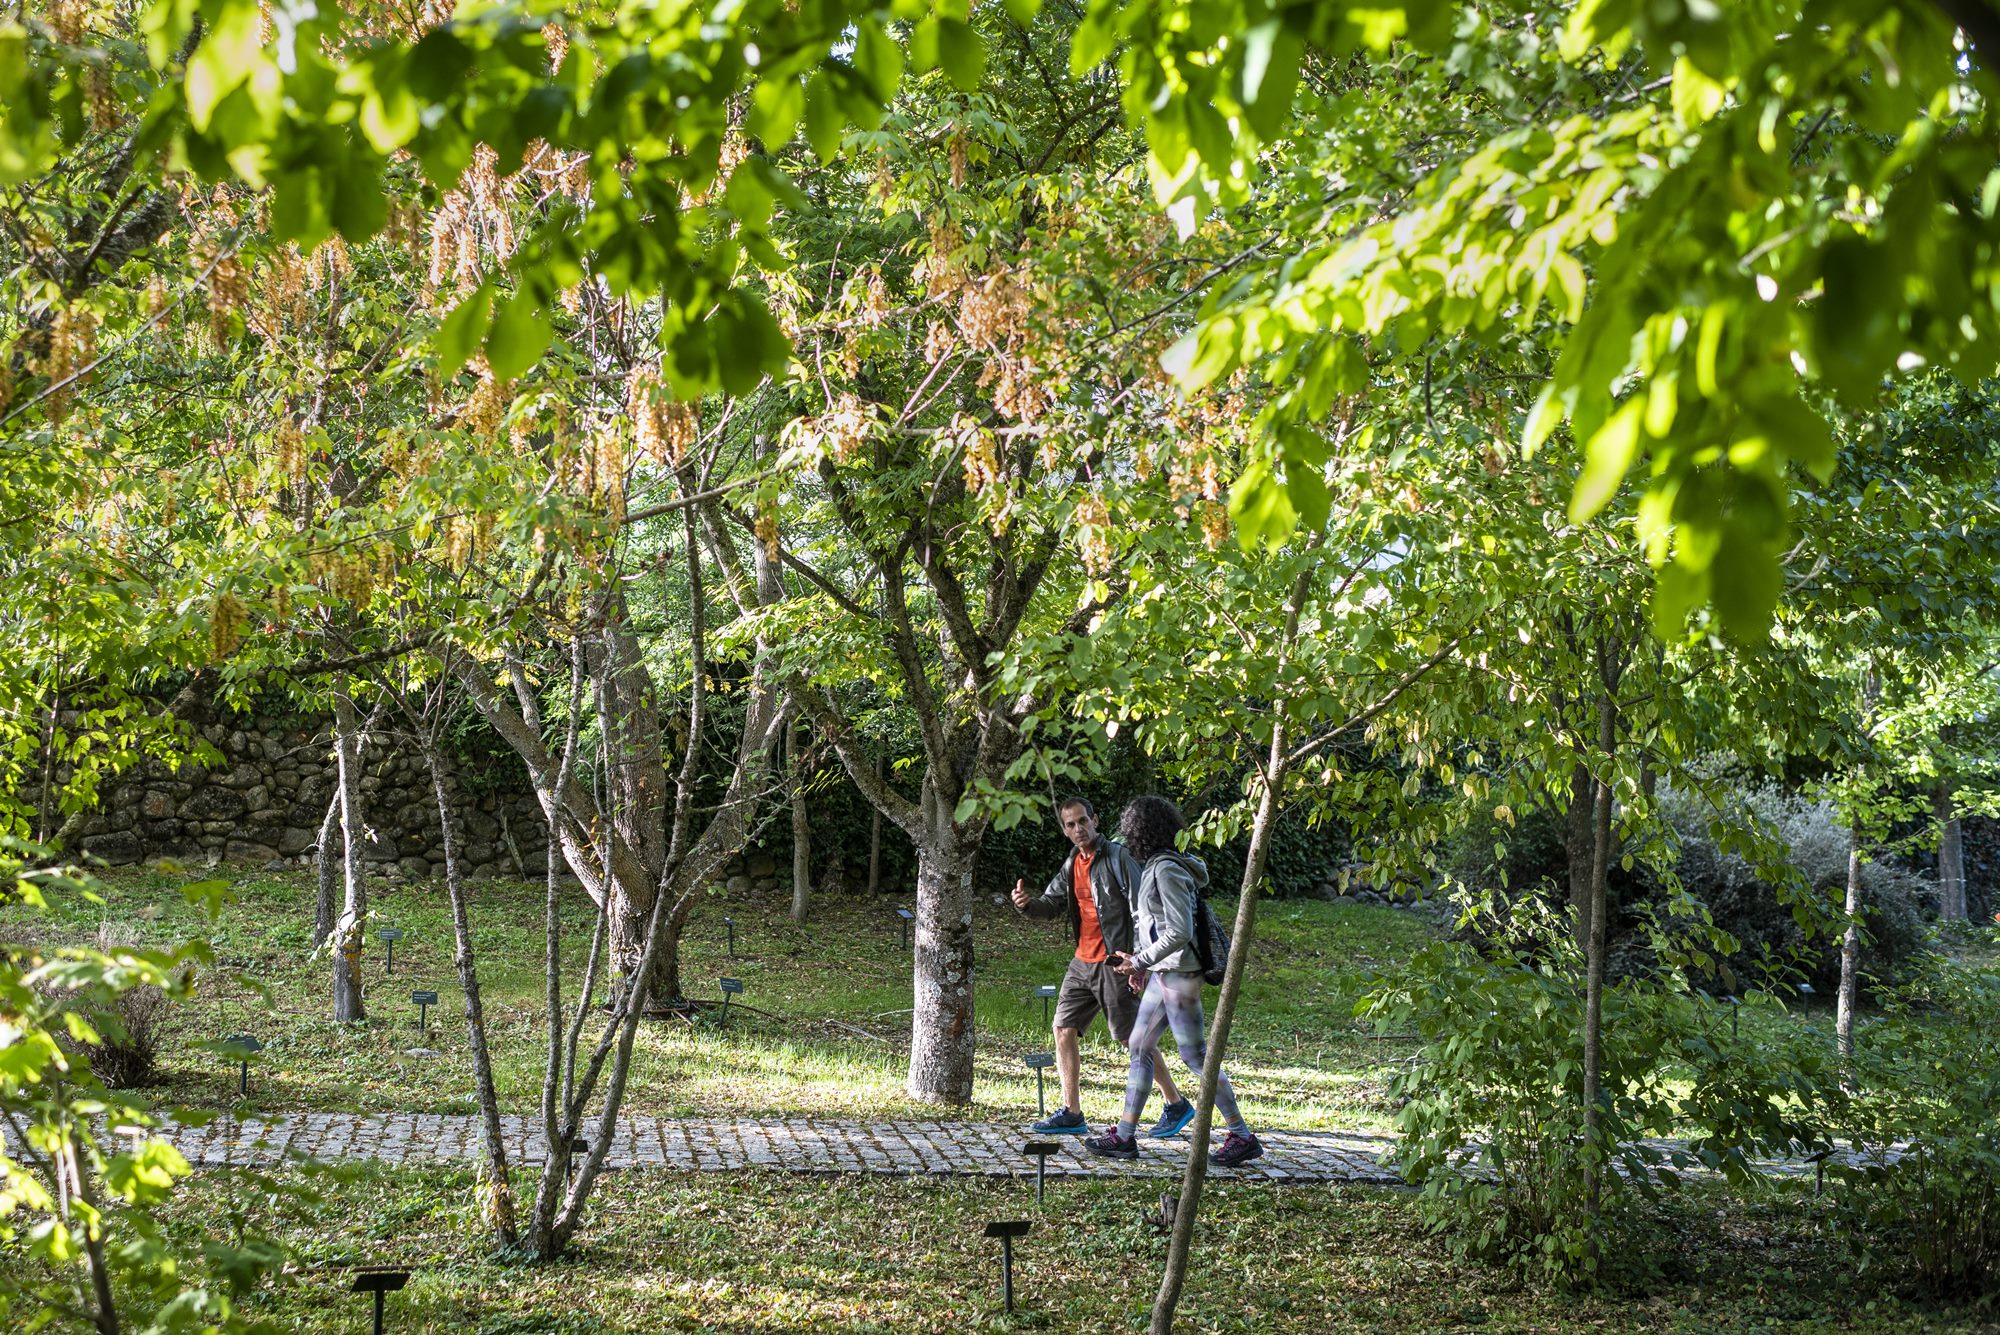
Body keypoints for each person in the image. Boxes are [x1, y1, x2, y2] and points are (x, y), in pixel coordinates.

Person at [1085, 794, 1263, 1167]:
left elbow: (1179, 931)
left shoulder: (1166, 869)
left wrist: (1140, 960)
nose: (1124, 835)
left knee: (1196, 1057)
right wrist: (1145, 968)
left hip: (1180, 974)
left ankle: (1241, 1135)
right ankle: (1124, 1136)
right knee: (1139, 1045)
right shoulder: (1159, 865)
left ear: (1140, 831)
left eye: (1129, 828)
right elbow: (1157, 926)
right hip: (1165, 972)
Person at [1010, 797, 1194, 1138]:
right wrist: (1026, 906)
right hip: (1082, 963)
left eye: (1083, 821)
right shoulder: (1072, 863)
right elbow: (1051, 904)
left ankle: (1176, 1103)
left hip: (1115, 962)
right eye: (1070, 825)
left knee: (1131, 1038)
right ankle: (1071, 1112)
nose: (1078, 829)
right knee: (1063, 1028)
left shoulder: (1118, 857)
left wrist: (1139, 962)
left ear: (1095, 820)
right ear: (1065, 831)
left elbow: (1144, 909)